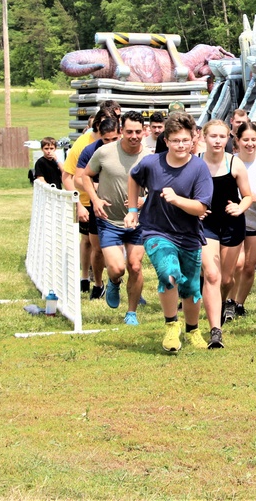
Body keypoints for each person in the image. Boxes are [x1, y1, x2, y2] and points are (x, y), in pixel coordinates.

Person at [126, 114, 215, 352]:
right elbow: (133, 178)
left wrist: (177, 200)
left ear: (194, 139)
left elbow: (201, 208)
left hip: (188, 236)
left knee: (191, 289)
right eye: (176, 140)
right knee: (169, 274)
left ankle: (193, 330)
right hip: (156, 231)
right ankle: (171, 326)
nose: (181, 145)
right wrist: (133, 210)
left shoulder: (199, 168)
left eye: (185, 140)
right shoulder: (151, 163)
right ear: (166, 141)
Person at [83, 111, 151, 325]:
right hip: (109, 221)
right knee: (117, 268)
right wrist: (95, 200)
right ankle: (114, 282)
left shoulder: (149, 157)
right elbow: (84, 176)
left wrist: (145, 200)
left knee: (136, 266)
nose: (134, 136)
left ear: (144, 131)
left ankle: (131, 312)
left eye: (138, 132)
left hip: (138, 222)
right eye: (129, 131)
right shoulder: (104, 152)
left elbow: (158, 187)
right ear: (121, 130)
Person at [199, 120, 253, 331]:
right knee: (212, 273)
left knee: (227, 279)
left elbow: (248, 196)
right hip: (206, 224)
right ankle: (212, 317)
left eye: (222, 136)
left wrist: (240, 208)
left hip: (231, 223)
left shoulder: (235, 163)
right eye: (213, 136)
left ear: (228, 138)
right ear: (204, 137)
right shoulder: (196, 162)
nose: (218, 141)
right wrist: (195, 209)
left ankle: (220, 303)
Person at [63, 101, 120, 295]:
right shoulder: (86, 146)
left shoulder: (128, 145)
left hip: (120, 205)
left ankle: (113, 281)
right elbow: (71, 177)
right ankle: (91, 280)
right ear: (97, 126)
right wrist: (80, 202)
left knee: (122, 250)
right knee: (92, 244)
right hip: (90, 202)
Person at [231, 121, 256, 315]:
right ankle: (228, 301)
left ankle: (239, 303)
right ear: (237, 140)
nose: (250, 143)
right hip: (233, 221)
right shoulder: (230, 162)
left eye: (253, 139)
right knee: (236, 264)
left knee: (248, 267)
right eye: (245, 139)